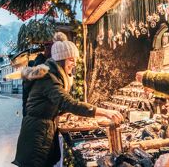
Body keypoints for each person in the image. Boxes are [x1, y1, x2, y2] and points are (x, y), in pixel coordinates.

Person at [13, 32, 124, 167]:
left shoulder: (54, 75)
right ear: (62, 59)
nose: (74, 63)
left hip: (41, 131)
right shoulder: (49, 78)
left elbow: (56, 104)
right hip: (37, 135)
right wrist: (104, 112)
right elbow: (67, 102)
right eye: (71, 59)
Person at [22, 42, 52, 117]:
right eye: (48, 47)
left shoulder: (35, 68)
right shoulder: (42, 69)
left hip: (30, 113)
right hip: (36, 114)